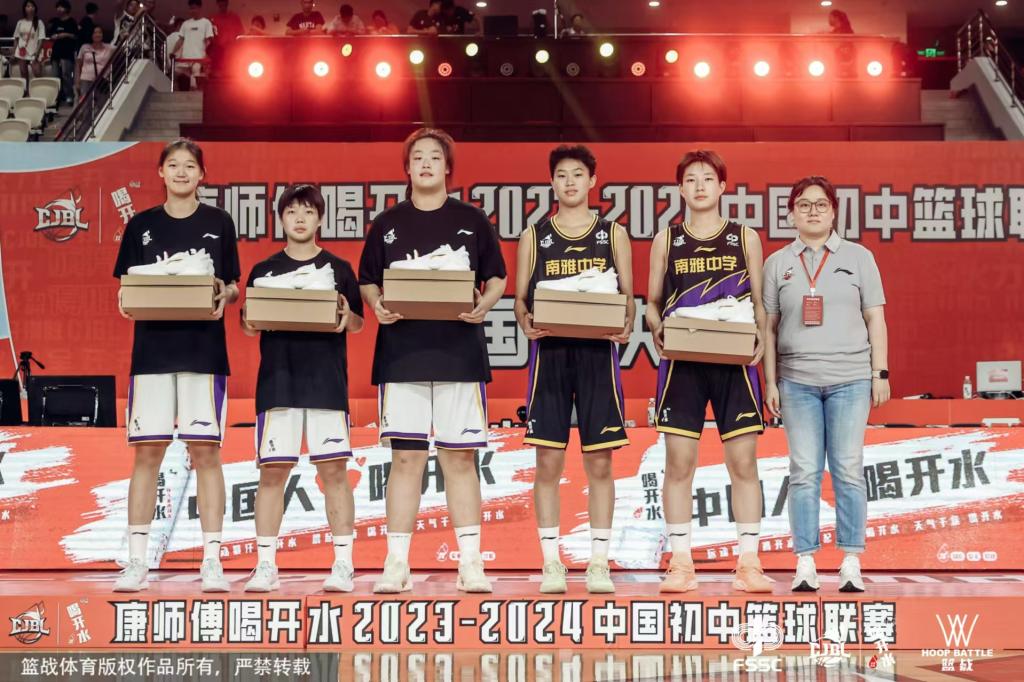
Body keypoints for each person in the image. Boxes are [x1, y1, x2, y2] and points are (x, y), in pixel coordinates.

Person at [358, 128, 507, 594]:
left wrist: (485, 306)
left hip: (459, 354)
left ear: (448, 168)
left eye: (434, 157)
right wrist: (376, 304)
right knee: (406, 458)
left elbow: (496, 277)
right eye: (417, 157)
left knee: (459, 459)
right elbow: (368, 279)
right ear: (407, 168)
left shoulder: (471, 219)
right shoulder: (388, 223)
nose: (425, 163)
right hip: (402, 355)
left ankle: (470, 563)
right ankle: (396, 563)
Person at [112, 138, 241, 593]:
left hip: (203, 354)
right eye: (173, 165)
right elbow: (125, 287)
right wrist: (125, 299)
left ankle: (212, 561)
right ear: (160, 172)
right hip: (152, 356)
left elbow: (232, 285)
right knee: (147, 454)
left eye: (190, 166)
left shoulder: (218, 222)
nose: (182, 172)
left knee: (206, 453)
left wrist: (225, 295)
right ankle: (136, 561)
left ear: (202, 175)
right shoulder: (141, 225)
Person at [646, 150, 772, 594]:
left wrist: (761, 340)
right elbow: (651, 303)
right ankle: (681, 563)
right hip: (683, 362)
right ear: (680, 188)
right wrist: (657, 327)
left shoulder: (744, 237)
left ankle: (749, 562)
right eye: (691, 179)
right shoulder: (667, 240)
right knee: (679, 463)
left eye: (707, 178)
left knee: (744, 462)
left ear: (722, 186)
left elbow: (759, 303)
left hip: (734, 362)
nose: (699, 186)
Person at [514, 145, 634, 594]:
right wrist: (525, 321)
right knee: (548, 460)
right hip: (550, 355)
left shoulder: (612, 234)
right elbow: (520, 301)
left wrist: (625, 324)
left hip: (597, 356)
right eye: (561, 175)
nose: (569, 182)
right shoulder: (535, 236)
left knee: (599, 460)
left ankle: (599, 563)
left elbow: (628, 297)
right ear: (552, 183)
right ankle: (551, 563)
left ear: (592, 181)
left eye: (578, 174)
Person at [762, 176, 889, 594]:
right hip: (796, 382)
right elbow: (769, 328)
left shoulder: (859, 257)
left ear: (834, 211)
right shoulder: (777, 263)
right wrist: (770, 382)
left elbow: (875, 318)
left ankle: (851, 560)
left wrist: (880, 372)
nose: (812, 211)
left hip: (850, 379)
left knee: (848, 468)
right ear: (791, 213)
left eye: (820, 204)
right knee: (803, 471)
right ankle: (805, 561)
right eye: (803, 204)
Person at [240, 184, 364, 593]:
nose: (299, 218)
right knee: (272, 473)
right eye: (291, 211)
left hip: (326, 382)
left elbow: (357, 322)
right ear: (280, 218)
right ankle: (265, 565)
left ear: (319, 218)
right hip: (278, 382)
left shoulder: (339, 268)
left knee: (334, 472)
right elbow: (247, 324)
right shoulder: (264, 270)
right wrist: (250, 317)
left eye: (308, 211)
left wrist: (346, 315)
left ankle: (343, 564)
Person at [168, 0, 214, 91]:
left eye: (194, 8)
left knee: (195, 82)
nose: (192, 11)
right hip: (185, 59)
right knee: (178, 76)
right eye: (191, 8)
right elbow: (181, 40)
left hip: (199, 59)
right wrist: (173, 52)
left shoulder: (206, 23)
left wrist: (207, 55)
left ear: (199, 8)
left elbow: (209, 40)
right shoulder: (186, 24)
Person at [48, 0, 78, 105]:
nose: (59, 9)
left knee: (66, 75)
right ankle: (56, 97)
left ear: (67, 9)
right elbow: (50, 35)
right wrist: (54, 36)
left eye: (61, 7)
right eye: (58, 7)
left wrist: (65, 34)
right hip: (56, 52)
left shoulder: (72, 21)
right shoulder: (55, 21)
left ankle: (69, 95)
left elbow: (75, 36)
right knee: (55, 75)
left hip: (67, 52)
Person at [12, 0, 46, 84]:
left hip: (34, 52)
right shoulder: (20, 22)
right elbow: (16, 38)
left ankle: (40, 89)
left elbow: (41, 40)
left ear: (35, 8)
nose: (30, 8)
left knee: (37, 73)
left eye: (32, 6)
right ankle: (26, 90)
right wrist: (13, 52)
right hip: (21, 51)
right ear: (24, 9)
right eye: (28, 6)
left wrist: (36, 54)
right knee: (23, 74)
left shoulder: (39, 22)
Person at [75, 24, 113, 96]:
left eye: (100, 32)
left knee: (102, 102)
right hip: (86, 80)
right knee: (86, 101)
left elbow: (121, 46)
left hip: (102, 80)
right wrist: (77, 82)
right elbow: (78, 65)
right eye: (95, 33)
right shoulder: (84, 47)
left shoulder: (109, 48)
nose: (97, 35)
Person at [210, 0, 243, 67]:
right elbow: (212, 36)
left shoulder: (234, 17)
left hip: (233, 51)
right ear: (218, 5)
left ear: (227, 4)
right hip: (219, 52)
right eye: (221, 5)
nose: (223, 7)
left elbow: (241, 34)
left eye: (224, 5)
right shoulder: (214, 19)